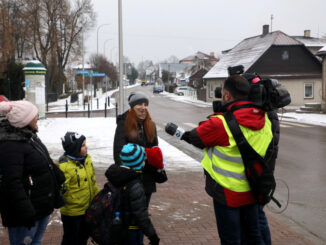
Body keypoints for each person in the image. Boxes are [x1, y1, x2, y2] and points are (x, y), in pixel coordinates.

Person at [180, 75, 274, 245]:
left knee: (231, 240)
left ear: (228, 96)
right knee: (253, 236)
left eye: (222, 92)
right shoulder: (265, 119)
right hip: (253, 189)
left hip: (227, 193)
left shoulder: (220, 124)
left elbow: (195, 137)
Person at [0, 100, 65, 245]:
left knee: (36, 242)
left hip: (39, 208)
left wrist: (58, 176)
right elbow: (12, 182)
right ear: (24, 120)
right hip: (25, 214)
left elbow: (46, 160)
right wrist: (26, 211)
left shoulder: (30, 136)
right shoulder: (10, 144)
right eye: (34, 116)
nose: (37, 118)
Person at [106, 143, 160, 245]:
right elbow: (141, 215)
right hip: (132, 230)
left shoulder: (116, 177)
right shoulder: (135, 185)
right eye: (143, 159)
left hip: (117, 226)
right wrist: (153, 236)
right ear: (139, 163)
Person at [113, 91, 159, 208]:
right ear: (132, 107)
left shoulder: (150, 124)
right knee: (130, 211)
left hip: (147, 176)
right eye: (139, 104)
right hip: (130, 177)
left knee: (143, 208)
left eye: (145, 104)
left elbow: (155, 147)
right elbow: (118, 151)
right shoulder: (124, 123)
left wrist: (156, 163)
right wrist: (126, 173)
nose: (143, 107)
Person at [58, 131, 100, 245]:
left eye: (85, 144)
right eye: (82, 145)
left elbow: (92, 181)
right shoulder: (65, 167)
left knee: (83, 237)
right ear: (74, 149)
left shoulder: (87, 160)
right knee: (71, 239)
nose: (86, 147)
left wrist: (98, 197)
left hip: (87, 208)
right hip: (72, 213)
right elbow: (60, 189)